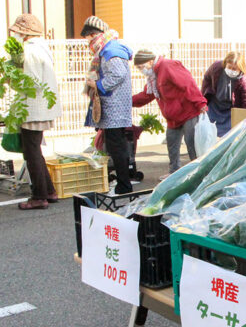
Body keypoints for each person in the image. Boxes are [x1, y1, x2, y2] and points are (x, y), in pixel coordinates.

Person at [9, 14, 62, 210]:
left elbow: (31, 81)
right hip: (42, 107)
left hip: (33, 108)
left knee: (31, 153)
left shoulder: (30, 50)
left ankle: (39, 196)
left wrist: (12, 80)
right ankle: (49, 191)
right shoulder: (43, 48)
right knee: (35, 151)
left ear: (24, 32)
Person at [80, 15, 134, 194]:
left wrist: (99, 85)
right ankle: (123, 183)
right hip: (114, 104)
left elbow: (118, 74)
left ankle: (124, 185)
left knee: (116, 146)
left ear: (94, 34)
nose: (88, 40)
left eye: (88, 36)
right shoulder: (109, 48)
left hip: (114, 105)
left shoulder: (110, 50)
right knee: (116, 145)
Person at [132, 50, 207, 178]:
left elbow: (187, 83)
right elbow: (147, 95)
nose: (141, 70)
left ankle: (199, 174)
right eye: (139, 68)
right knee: (172, 145)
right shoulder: (153, 76)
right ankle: (174, 174)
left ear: (150, 61)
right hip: (173, 118)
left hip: (188, 113)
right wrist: (127, 102)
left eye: (141, 67)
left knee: (192, 146)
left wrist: (200, 103)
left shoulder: (167, 66)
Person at [201, 51, 246, 137]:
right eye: (229, 67)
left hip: (230, 108)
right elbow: (207, 79)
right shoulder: (216, 67)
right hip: (215, 104)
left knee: (229, 134)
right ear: (225, 64)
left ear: (240, 69)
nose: (231, 70)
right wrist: (203, 100)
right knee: (209, 130)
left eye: (234, 69)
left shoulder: (243, 79)